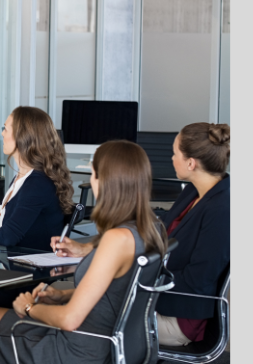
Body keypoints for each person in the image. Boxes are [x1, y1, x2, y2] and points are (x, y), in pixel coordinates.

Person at [0, 140, 168, 364]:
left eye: (93, 174)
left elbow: (70, 319)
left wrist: (30, 307)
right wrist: (62, 295)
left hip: (75, 348)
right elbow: (120, 292)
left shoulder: (116, 239)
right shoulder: (151, 229)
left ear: (105, 181)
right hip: (102, 341)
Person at [56, 122, 230, 347]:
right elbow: (153, 233)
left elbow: (197, 281)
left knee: (77, 313)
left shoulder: (221, 209)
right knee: (71, 301)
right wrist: (87, 248)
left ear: (191, 163)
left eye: (174, 153)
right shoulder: (194, 192)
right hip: (157, 300)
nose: (171, 159)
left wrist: (128, 277)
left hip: (178, 317)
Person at [0, 106, 72, 250]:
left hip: (27, 262)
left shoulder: (37, 183)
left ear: (23, 137)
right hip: (9, 257)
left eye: (6, 129)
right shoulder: (23, 178)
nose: (2, 133)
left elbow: (8, 236)